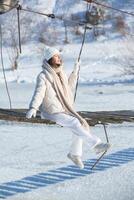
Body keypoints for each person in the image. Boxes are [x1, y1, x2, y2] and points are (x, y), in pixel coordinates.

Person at [26, 46, 110, 169]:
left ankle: (74, 154)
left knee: (80, 124)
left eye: (59, 56)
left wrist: (75, 71)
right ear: (49, 59)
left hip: (63, 110)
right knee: (74, 121)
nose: (59, 58)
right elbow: (39, 92)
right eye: (56, 56)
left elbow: (69, 88)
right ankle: (95, 144)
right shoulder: (44, 75)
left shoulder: (61, 74)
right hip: (51, 111)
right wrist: (33, 107)